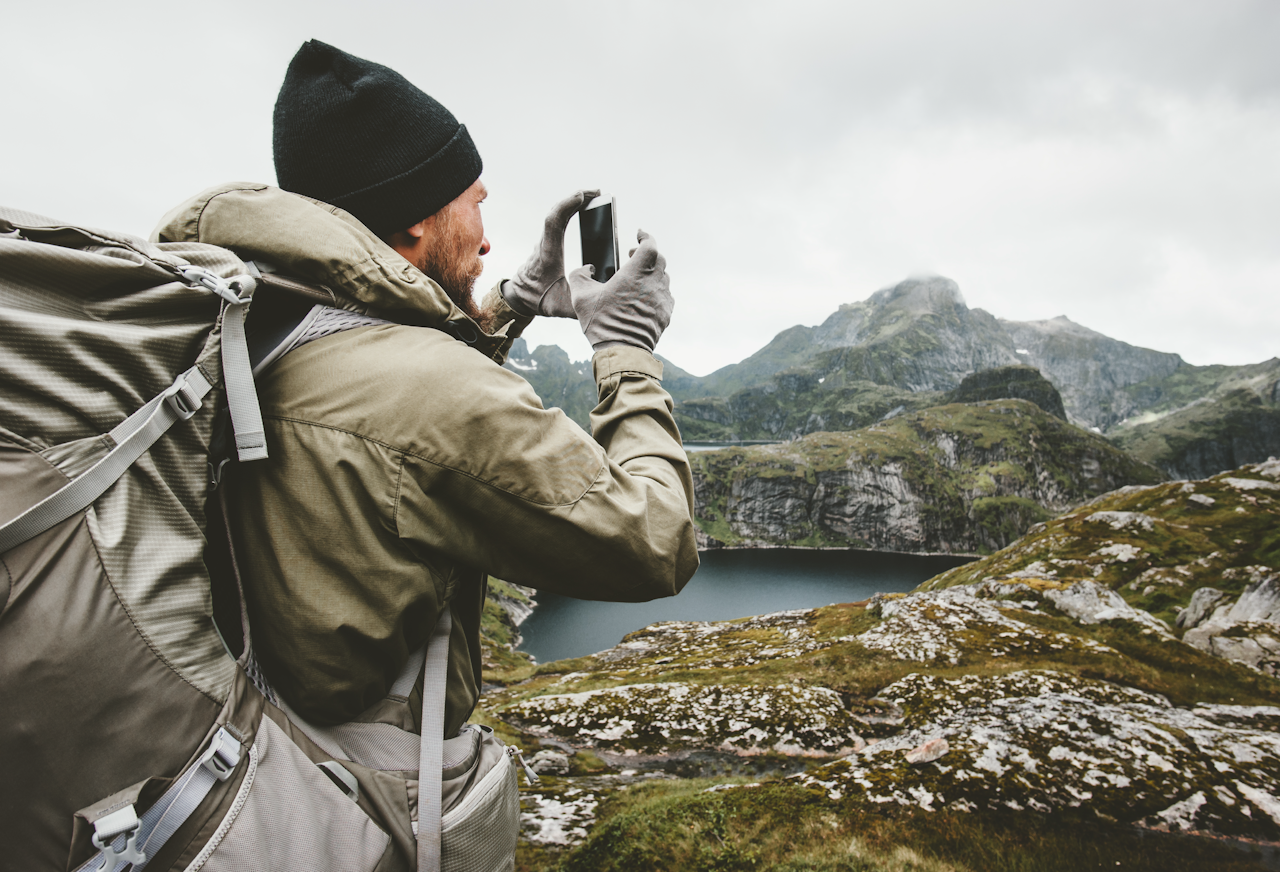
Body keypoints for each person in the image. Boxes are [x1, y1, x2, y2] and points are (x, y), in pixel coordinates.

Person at [153, 39, 699, 737]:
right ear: (415, 216)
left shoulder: (262, 320)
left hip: (245, 725)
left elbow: (392, 376)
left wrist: (514, 301)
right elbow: (657, 539)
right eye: (475, 202)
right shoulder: (428, 391)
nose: (488, 239)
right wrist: (625, 350)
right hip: (361, 788)